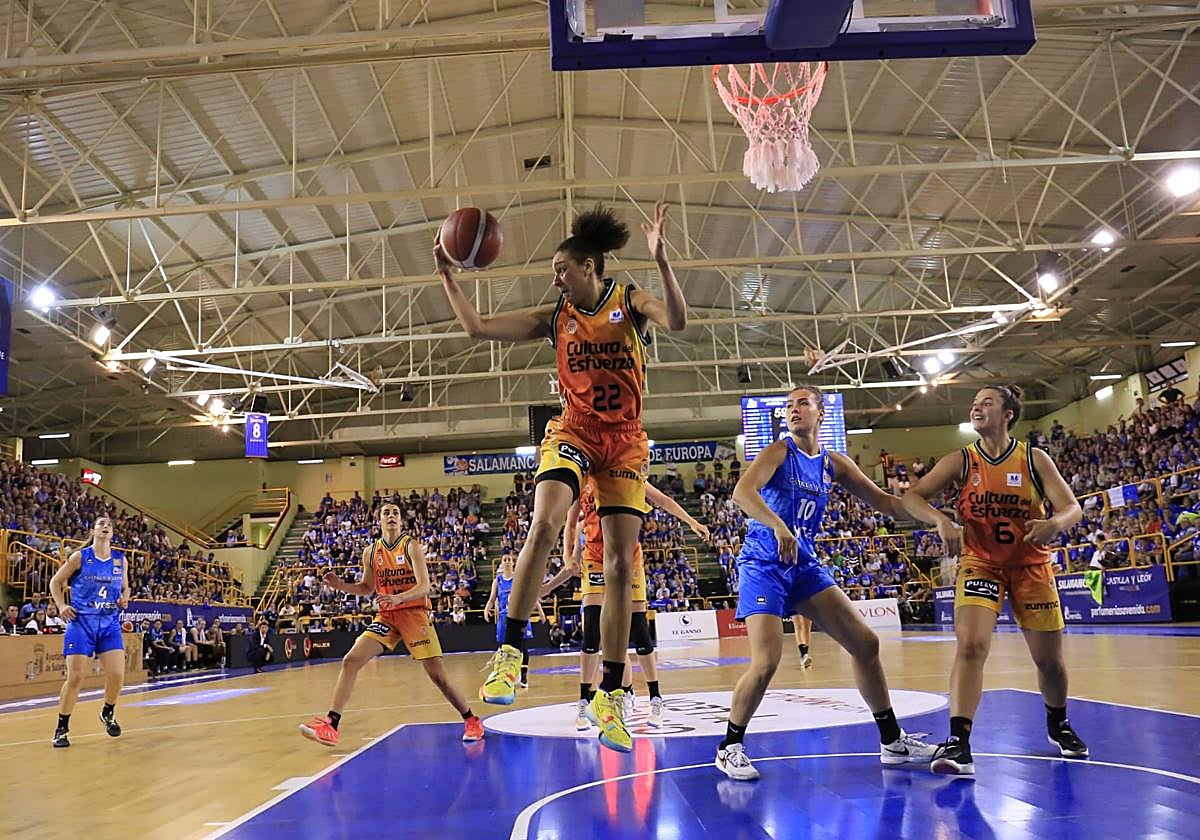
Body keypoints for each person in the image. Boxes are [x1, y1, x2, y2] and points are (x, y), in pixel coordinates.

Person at [439, 202, 686, 754]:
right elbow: (477, 328)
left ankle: (613, 694)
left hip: (624, 438)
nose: (556, 277)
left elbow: (680, 319)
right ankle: (510, 652)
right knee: (546, 524)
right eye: (554, 271)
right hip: (573, 431)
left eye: (563, 269)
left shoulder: (629, 301)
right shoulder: (555, 317)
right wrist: (447, 276)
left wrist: (663, 261)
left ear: (591, 266)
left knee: (621, 567)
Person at [715, 386, 935, 781]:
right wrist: (778, 524)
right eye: (789, 405)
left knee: (865, 643)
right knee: (766, 661)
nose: (794, 410)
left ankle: (892, 741)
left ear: (821, 414)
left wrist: (931, 510)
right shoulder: (778, 451)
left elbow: (886, 503)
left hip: (802, 564)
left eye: (802, 403)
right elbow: (741, 493)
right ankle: (729, 747)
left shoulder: (834, 463)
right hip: (763, 561)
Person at [901, 384, 1088, 778]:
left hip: (1030, 566)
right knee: (971, 646)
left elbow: (1072, 507)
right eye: (974, 403)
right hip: (980, 564)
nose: (977, 407)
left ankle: (1059, 722)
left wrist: (1055, 523)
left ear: (1008, 414)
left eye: (987, 402)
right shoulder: (961, 460)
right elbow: (911, 497)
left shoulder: (1034, 459)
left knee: (1049, 662)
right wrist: (940, 520)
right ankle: (959, 741)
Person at [299, 500, 483, 747]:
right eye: (386, 512)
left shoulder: (411, 547)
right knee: (351, 660)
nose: (391, 515)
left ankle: (471, 719)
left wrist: (399, 597)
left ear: (401, 519)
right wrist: (339, 585)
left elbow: (425, 586)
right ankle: (331, 724)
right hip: (387, 617)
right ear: (379, 520)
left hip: (414, 613)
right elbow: (367, 588)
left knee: (438, 677)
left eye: (395, 512)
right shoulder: (370, 552)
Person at [545, 474, 710, 731]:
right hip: (595, 557)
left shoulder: (627, 474)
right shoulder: (582, 482)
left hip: (627, 557)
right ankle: (583, 700)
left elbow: (664, 501)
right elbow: (569, 524)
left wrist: (692, 521)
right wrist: (568, 555)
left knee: (640, 632)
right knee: (591, 633)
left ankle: (655, 698)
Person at [47, 515, 129, 748]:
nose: (106, 527)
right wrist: (62, 606)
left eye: (109, 525)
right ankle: (61, 728)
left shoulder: (120, 560)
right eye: (101, 524)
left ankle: (108, 712)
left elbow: (125, 587)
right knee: (76, 677)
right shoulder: (80, 557)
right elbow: (55, 582)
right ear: (93, 531)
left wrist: (124, 598)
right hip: (82, 623)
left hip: (109, 623)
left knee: (117, 675)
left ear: (112, 533)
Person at [484, 556, 547, 690]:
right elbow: (492, 598)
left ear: (513, 563)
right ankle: (503, 675)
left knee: (523, 647)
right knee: (503, 648)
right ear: (501, 563)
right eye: (504, 560)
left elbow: (531, 596)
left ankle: (523, 677)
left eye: (509, 560)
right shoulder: (497, 581)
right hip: (503, 617)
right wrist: (487, 609)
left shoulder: (519, 579)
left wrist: (540, 612)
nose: (507, 562)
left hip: (520, 615)